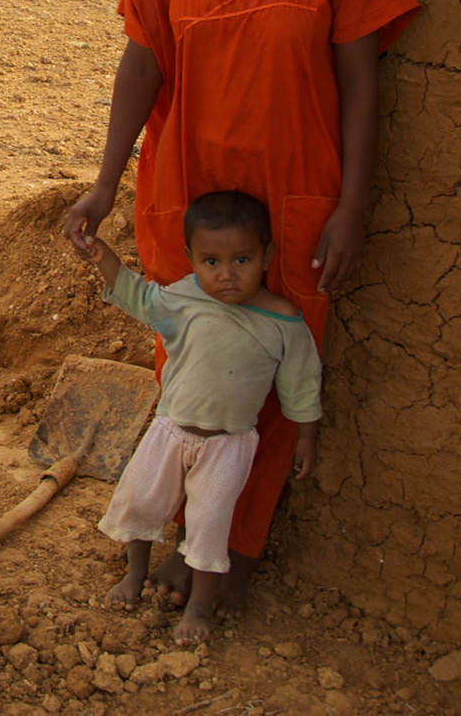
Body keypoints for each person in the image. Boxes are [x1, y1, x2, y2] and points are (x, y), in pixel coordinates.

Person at [63, 0, 418, 618]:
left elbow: (363, 82)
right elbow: (141, 66)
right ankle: (179, 536)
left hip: (295, 198)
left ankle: (230, 555)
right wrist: (106, 183)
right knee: (190, 371)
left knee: (272, 384)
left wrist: (352, 205)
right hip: (185, 195)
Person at [81, 190, 320, 643]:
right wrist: (101, 255)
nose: (226, 275)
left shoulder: (283, 321)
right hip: (169, 430)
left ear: (267, 255)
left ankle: (198, 607)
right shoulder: (183, 299)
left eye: (242, 260)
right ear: (191, 258)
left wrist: (306, 438)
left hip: (227, 444)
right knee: (142, 503)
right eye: (211, 262)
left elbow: (302, 385)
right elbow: (137, 295)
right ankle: (134, 575)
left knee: (209, 526)